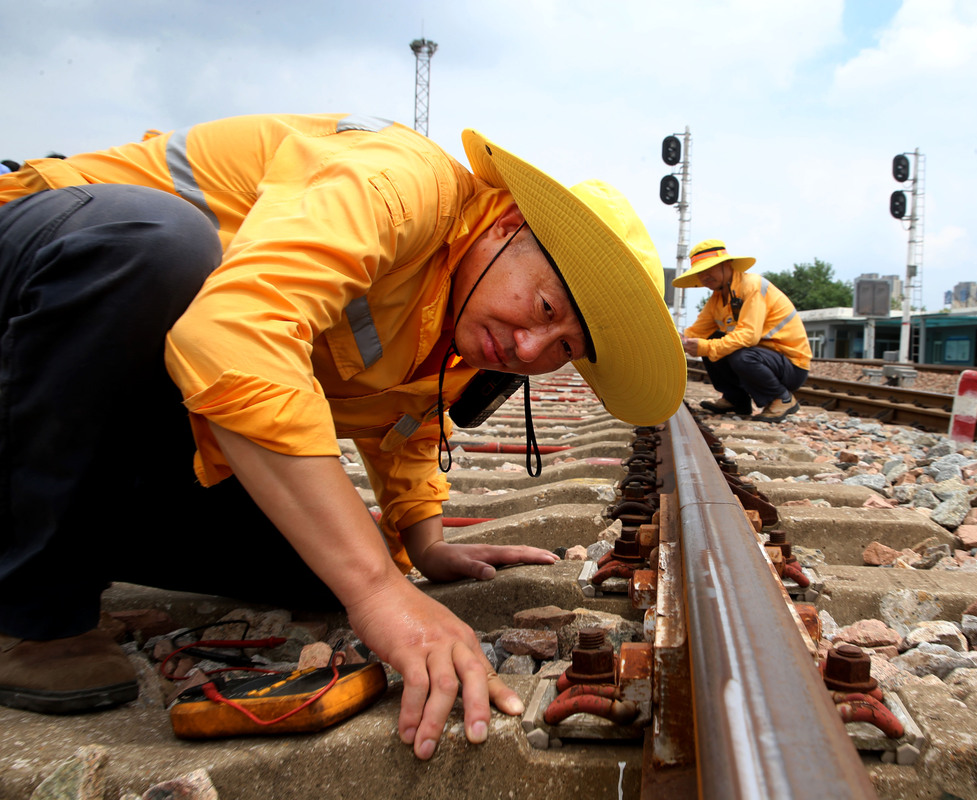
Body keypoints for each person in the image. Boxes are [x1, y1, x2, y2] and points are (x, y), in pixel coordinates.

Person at [0, 113, 685, 759]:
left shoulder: (459, 323)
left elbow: (408, 426)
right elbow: (231, 334)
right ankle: (34, 614)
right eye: (543, 308)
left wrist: (423, 542)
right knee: (158, 244)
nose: (532, 348)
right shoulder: (402, 183)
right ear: (507, 223)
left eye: (562, 348)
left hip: (125, 393)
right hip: (42, 263)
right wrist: (378, 593)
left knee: (320, 568)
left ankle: (56, 514)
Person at [675, 238, 811, 422]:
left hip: (790, 364)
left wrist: (705, 347)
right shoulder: (717, 299)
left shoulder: (752, 286)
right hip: (763, 358)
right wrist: (673, 340)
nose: (705, 276)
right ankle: (736, 400)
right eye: (700, 273)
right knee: (712, 339)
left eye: (709, 269)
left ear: (727, 264)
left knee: (733, 353)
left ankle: (781, 397)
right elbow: (697, 332)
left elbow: (749, 336)